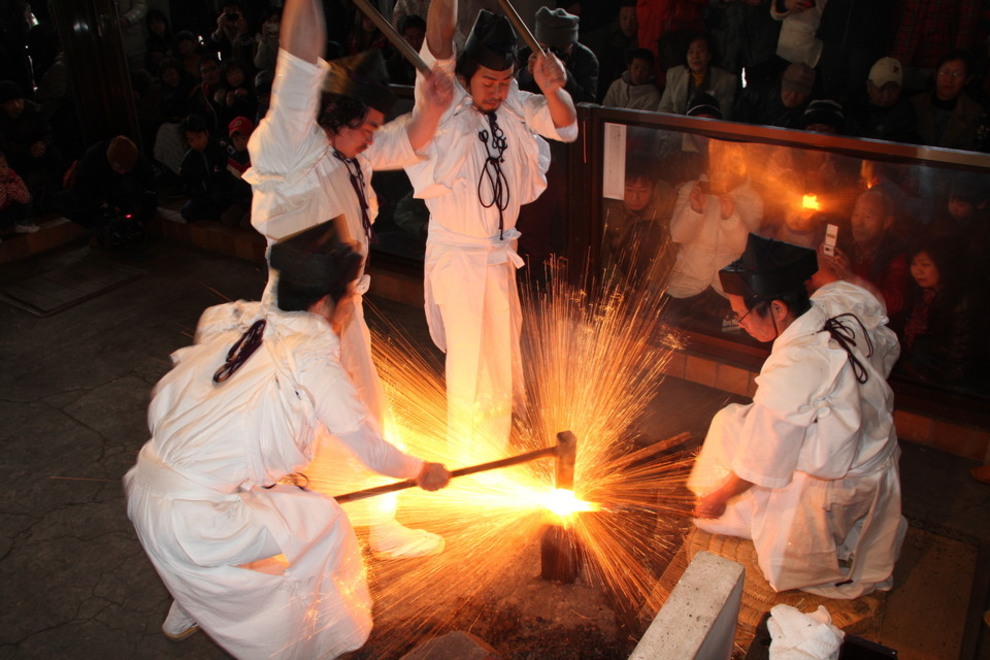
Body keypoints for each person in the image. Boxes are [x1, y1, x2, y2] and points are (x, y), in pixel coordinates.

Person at [123, 220, 451, 655]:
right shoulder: (310, 358)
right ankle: (316, 636)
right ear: (323, 301)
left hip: (147, 492)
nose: (351, 306)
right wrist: (420, 470)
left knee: (278, 509)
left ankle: (191, 601)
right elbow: (367, 446)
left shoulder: (241, 322)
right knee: (322, 524)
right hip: (195, 519)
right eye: (349, 295)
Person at [244, 0, 453, 558]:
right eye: (365, 126)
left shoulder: (353, 152)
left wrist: (430, 106)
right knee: (284, 438)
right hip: (295, 317)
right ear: (335, 116)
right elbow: (297, 61)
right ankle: (233, 551)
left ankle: (379, 524)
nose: (372, 137)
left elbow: (408, 139)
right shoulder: (293, 148)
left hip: (341, 312)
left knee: (365, 416)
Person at [689, 233, 906, 599]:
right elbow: (850, 291)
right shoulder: (830, 304)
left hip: (844, 475)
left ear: (777, 308)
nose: (738, 323)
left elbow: (762, 460)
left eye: (740, 314)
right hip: (869, 439)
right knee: (730, 421)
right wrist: (836, 270)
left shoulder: (795, 367)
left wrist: (719, 497)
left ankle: (821, 541)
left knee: (781, 557)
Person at [404, 0, 578, 451]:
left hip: (499, 255)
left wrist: (551, 87)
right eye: (488, 82)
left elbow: (567, 126)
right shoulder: (443, 98)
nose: (497, 91)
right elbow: (440, 37)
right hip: (459, 257)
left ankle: (496, 450)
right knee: (471, 364)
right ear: (466, 76)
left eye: (505, 81)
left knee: (501, 360)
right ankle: (467, 460)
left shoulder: (515, 101)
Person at [53, 135, 157, 249]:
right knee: (62, 201)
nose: (122, 172)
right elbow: (82, 191)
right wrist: (103, 208)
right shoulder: (93, 160)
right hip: (98, 200)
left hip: (123, 198)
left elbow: (150, 191)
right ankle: (103, 228)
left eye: (126, 170)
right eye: (119, 169)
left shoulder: (141, 164)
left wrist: (143, 217)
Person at [517, 7, 599, 105]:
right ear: (537, 42)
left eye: (559, 49)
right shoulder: (525, 54)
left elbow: (587, 102)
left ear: (570, 44)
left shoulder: (586, 59)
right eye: (546, 47)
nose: (552, 54)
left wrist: (564, 76)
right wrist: (527, 73)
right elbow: (511, 92)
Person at [912, 51, 985, 151]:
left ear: (967, 79)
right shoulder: (915, 104)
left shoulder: (975, 113)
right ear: (935, 75)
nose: (949, 79)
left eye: (957, 74)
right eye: (944, 72)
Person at [658, 33, 737, 120]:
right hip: (677, 128)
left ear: (709, 55)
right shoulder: (674, 74)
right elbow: (663, 110)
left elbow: (723, 117)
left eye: (700, 51)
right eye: (690, 52)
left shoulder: (727, 80)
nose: (695, 56)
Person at [846, 57, 920, 144]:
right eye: (881, 88)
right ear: (869, 86)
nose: (886, 95)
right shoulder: (852, 110)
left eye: (892, 88)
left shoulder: (907, 113)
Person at [733, 61, 815, 129]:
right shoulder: (753, 96)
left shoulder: (811, 110)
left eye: (800, 92)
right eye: (789, 89)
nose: (793, 96)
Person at [0, 149, 38, 236]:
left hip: (10, 213)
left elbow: (26, 198)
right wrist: (2, 189)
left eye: (3, 166)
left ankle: (22, 224)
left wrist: (10, 187)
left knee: (28, 199)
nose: (1, 171)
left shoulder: (14, 178)